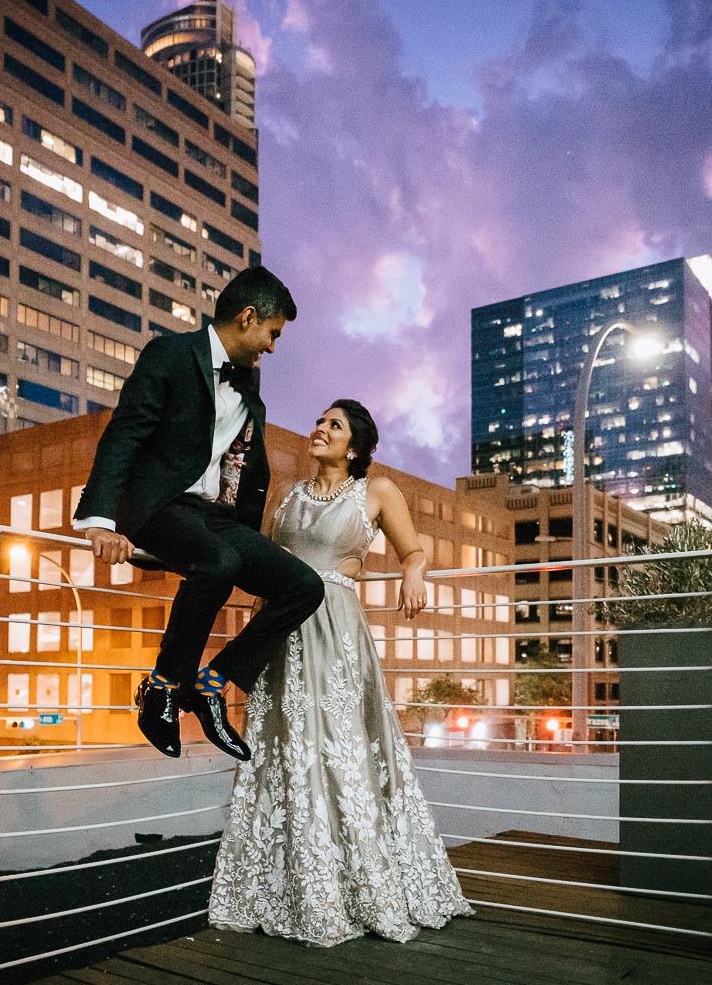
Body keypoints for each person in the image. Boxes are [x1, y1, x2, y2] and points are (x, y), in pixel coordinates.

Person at [208, 399, 473, 946]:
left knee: (339, 743)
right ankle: (287, 884)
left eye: (334, 425)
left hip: (335, 628)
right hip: (279, 628)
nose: (319, 429)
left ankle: (354, 884)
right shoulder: (286, 494)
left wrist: (414, 576)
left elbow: (413, 551)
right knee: (282, 744)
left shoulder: (376, 491)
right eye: (320, 421)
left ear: (354, 445)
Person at [72, 267, 325, 761]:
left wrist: (247, 531)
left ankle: (212, 685)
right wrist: (100, 520)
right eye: (272, 333)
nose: (272, 347)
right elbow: (125, 433)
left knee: (304, 587)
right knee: (219, 563)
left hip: (217, 519)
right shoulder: (169, 355)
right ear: (248, 318)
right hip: (158, 505)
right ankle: (163, 688)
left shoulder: (250, 386)